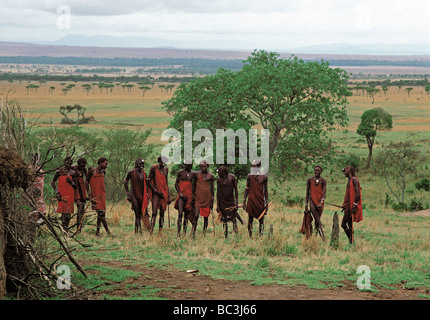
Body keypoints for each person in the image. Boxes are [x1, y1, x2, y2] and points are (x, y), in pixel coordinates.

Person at [243, 160, 269, 238]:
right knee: (250, 220)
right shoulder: (249, 176)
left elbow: (266, 190)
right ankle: (250, 236)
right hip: (251, 200)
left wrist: (266, 203)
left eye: (254, 166)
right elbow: (247, 189)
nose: (253, 168)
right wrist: (244, 201)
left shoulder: (264, 177)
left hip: (260, 201)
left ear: (259, 167)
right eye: (252, 166)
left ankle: (261, 236)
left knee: (261, 220)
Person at [124, 159, 150, 234]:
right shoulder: (131, 172)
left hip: (142, 196)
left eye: (142, 164)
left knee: (141, 213)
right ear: (136, 164)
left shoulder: (144, 174)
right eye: (140, 164)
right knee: (137, 214)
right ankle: (138, 231)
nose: (141, 165)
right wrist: (128, 194)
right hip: (134, 195)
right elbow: (125, 182)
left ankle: (138, 230)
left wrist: (147, 195)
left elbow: (146, 186)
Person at [301, 165, 327, 240]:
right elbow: (307, 193)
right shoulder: (309, 180)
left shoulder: (323, 181)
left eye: (318, 170)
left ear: (321, 172)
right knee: (317, 220)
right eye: (315, 170)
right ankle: (323, 238)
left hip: (320, 203)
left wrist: (321, 202)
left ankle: (314, 236)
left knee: (317, 221)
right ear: (314, 171)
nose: (317, 172)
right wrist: (306, 206)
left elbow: (324, 193)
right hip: (312, 201)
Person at [88, 157, 112, 236]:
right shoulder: (92, 170)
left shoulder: (103, 172)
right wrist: (89, 194)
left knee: (101, 214)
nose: (106, 166)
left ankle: (97, 232)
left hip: (102, 195)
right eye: (105, 164)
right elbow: (86, 182)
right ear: (100, 163)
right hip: (95, 196)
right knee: (101, 213)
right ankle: (108, 232)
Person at [51, 156, 77, 232]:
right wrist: (57, 192)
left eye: (70, 163)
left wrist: (71, 182)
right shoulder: (59, 172)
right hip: (61, 194)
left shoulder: (73, 173)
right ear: (64, 162)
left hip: (70, 194)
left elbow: (76, 186)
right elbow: (52, 182)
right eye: (67, 163)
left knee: (68, 212)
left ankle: (65, 228)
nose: (69, 165)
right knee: (63, 211)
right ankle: (63, 228)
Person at [191, 160, 214, 237]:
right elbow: (193, 185)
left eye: (205, 166)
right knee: (196, 216)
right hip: (198, 198)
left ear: (208, 166)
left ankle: (204, 232)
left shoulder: (211, 176)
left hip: (207, 198)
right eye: (202, 166)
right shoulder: (196, 174)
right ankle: (193, 232)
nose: (203, 168)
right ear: (200, 166)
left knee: (206, 217)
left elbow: (212, 188)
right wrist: (193, 196)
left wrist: (212, 199)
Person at [147, 156, 170, 235]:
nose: (162, 164)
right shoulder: (153, 168)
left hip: (164, 193)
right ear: (158, 161)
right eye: (161, 162)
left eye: (164, 162)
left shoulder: (166, 169)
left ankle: (160, 231)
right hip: (156, 193)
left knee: (162, 213)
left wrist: (168, 194)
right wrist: (155, 190)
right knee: (154, 213)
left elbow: (166, 181)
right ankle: (151, 231)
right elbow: (148, 181)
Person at [341, 166, 363, 244]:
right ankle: (351, 241)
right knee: (350, 224)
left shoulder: (354, 180)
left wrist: (354, 205)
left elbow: (357, 194)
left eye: (345, 171)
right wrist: (344, 205)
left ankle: (351, 239)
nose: (344, 172)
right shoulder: (350, 180)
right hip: (347, 205)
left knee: (343, 224)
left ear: (350, 171)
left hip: (351, 206)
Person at [216, 166, 240, 239]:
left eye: (219, 173)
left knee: (233, 217)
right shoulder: (218, 179)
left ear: (224, 173)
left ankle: (236, 232)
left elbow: (235, 189)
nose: (218, 174)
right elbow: (218, 192)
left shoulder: (232, 177)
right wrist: (218, 204)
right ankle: (225, 235)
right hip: (222, 202)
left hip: (231, 201)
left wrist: (236, 201)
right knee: (224, 219)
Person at [174, 159, 194, 237]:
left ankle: (184, 233)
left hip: (189, 196)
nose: (185, 166)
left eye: (187, 165)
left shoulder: (193, 174)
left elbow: (194, 186)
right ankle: (178, 233)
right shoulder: (180, 172)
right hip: (181, 196)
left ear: (190, 165)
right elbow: (176, 184)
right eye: (184, 165)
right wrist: (180, 193)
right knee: (180, 214)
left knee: (186, 215)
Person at [72, 158, 89, 233]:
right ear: (79, 163)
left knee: (82, 210)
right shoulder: (73, 167)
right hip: (76, 189)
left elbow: (87, 179)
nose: (83, 166)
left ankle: (79, 228)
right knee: (79, 207)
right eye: (82, 164)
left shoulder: (84, 169)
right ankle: (77, 228)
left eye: (84, 164)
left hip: (82, 188)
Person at [29, 153, 46, 222]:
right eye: (33, 159)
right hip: (29, 191)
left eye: (37, 160)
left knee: (39, 203)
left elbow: (40, 180)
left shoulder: (40, 170)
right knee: (30, 204)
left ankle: (40, 218)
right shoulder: (28, 169)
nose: (34, 161)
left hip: (38, 191)